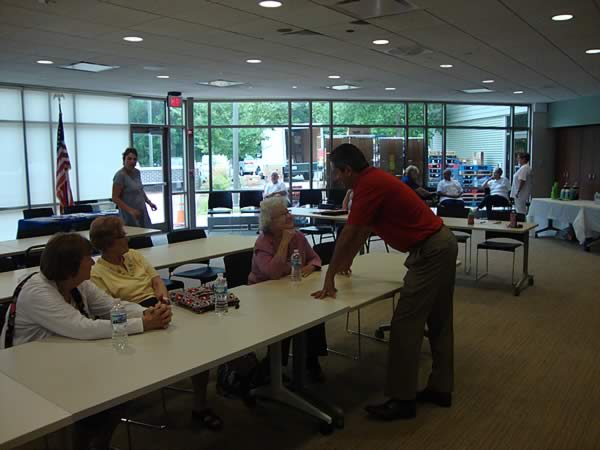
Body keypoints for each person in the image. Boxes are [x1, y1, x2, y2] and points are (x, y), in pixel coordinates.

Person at [312, 143, 458, 421]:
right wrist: (348, 262)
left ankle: (402, 400)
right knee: (439, 320)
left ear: (348, 169)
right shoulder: (375, 181)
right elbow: (364, 230)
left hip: (430, 251)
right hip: (440, 243)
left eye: (337, 173)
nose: (337, 179)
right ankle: (441, 387)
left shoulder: (368, 185)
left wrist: (330, 275)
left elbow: (349, 232)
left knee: (405, 325)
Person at [4, 233, 172, 450]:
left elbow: (112, 306)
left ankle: (97, 444)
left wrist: (148, 312)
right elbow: (81, 327)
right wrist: (144, 324)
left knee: (124, 388)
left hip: (66, 355)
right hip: (28, 372)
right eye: (87, 258)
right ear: (70, 264)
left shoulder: (77, 283)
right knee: (103, 395)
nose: (93, 261)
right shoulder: (37, 291)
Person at [89, 216, 223, 431]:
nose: (127, 239)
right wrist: (148, 315)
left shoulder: (133, 255)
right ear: (108, 243)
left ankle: (200, 405)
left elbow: (157, 281)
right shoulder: (97, 273)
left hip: (160, 308)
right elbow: (110, 308)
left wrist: (164, 300)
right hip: (134, 319)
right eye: (122, 236)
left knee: (198, 347)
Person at [248, 196, 326, 380]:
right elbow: (273, 273)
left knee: (315, 311)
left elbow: (315, 258)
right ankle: (274, 364)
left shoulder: (298, 236)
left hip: (290, 289)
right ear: (271, 222)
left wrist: (309, 266)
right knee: (285, 318)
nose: (289, 216)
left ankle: (311, 360)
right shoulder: (263, 243)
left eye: (288, 211)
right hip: (263, 295)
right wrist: (284, 243)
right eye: (284, 214)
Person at [112, 147, 157, 227]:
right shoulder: (120, 176)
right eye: (129, 159)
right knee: (134, 236)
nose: (132, 161)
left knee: (145, 235)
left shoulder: (137, 172)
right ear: (124, 160)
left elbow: (140, 190)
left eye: (134, 159)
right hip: (128, 213)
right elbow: (115, 198)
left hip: (141, 210)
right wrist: (131, 210)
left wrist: (149, 202)